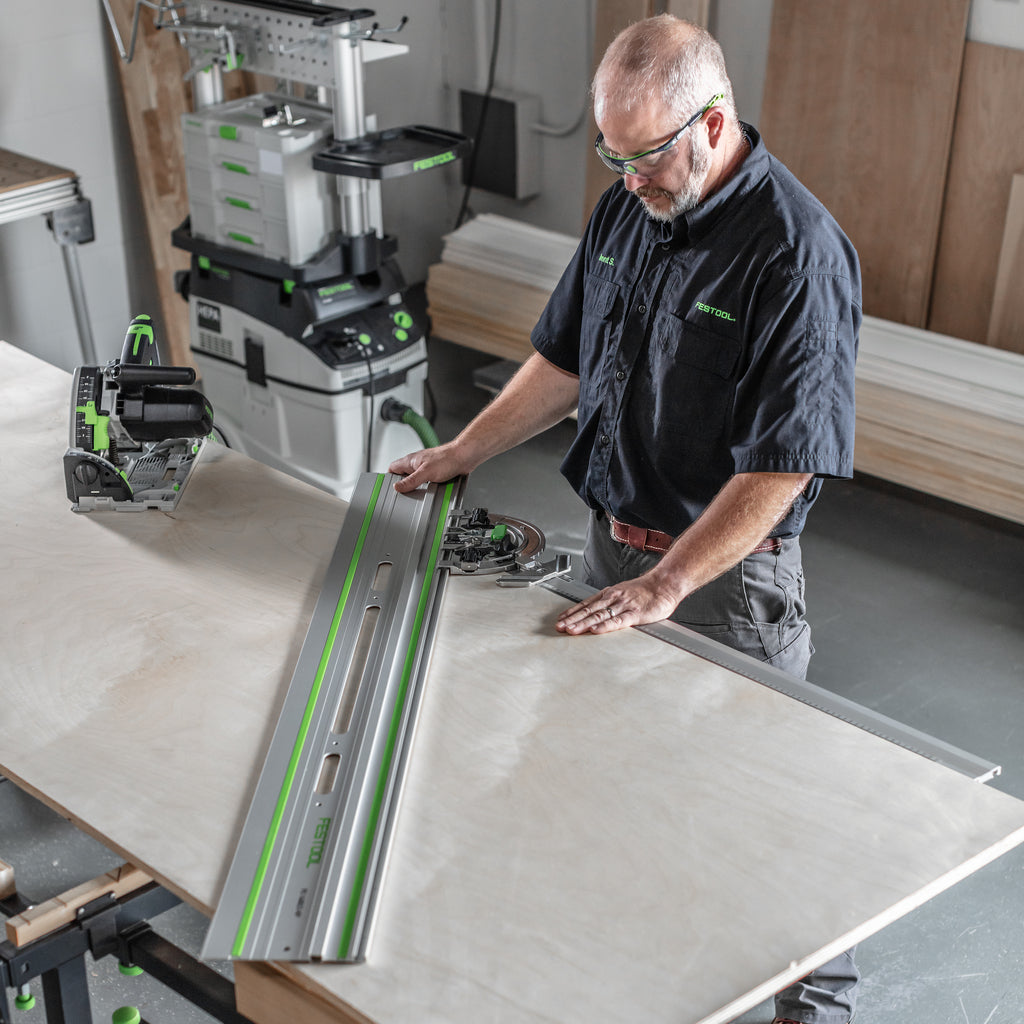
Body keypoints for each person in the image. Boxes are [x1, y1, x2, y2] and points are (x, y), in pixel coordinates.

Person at [390, 15, 860, 1024]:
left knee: (759, 814)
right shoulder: (626, 210)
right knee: (634, 783)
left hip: (727, 586)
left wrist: (668, 583)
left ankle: (812, 1009)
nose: (626, 177)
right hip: (616, 548)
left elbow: (782, 466)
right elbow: (563, 357)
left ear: (713, 122)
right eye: (611, 153)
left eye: (644, 156)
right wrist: (462, 448)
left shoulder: (794, 252)